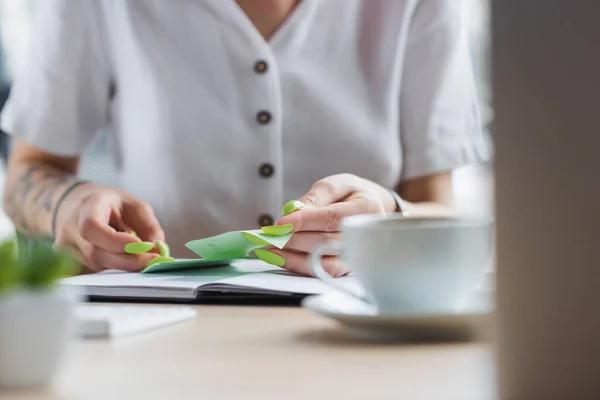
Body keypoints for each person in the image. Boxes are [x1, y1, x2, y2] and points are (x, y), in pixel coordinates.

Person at [0, 0, 487, 276]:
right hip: (156, 346)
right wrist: (68, 204)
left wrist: (386, 217)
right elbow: (26, 174)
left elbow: (439, 210)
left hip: (358, 342)